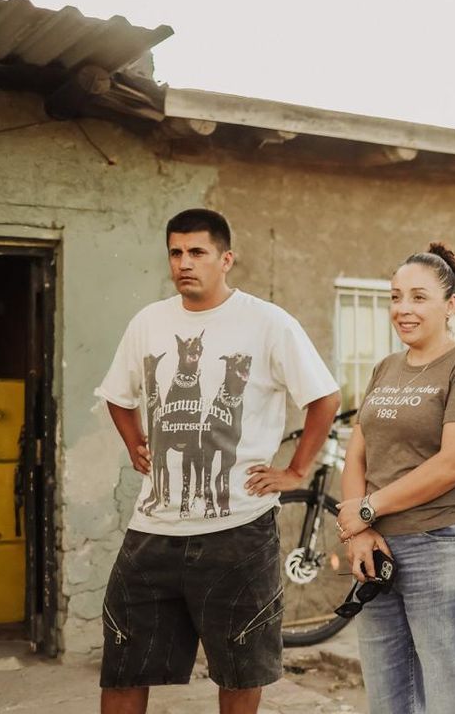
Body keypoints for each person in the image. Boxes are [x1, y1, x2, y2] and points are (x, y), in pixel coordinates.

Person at [96, 208, 341, 714]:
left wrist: (295, 471)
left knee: (239, 668)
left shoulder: (268, 322)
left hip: (239, 530)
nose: (184, 263)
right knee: (123, 665)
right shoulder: (149, 322)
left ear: (226, 259)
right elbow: (118, 395)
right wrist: (134, 441)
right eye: (176, 253)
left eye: (197, 252)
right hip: (153, 528)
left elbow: (324, 398)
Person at [334, 243, 455, 714]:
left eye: (418, 297)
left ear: (450, 305)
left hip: (446, 546)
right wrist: (359, 531)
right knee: (390, 700)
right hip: (380, 551)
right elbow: (357, 457)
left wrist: (368, 509)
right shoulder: (385, 368)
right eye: (394, 297)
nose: (403, 309)